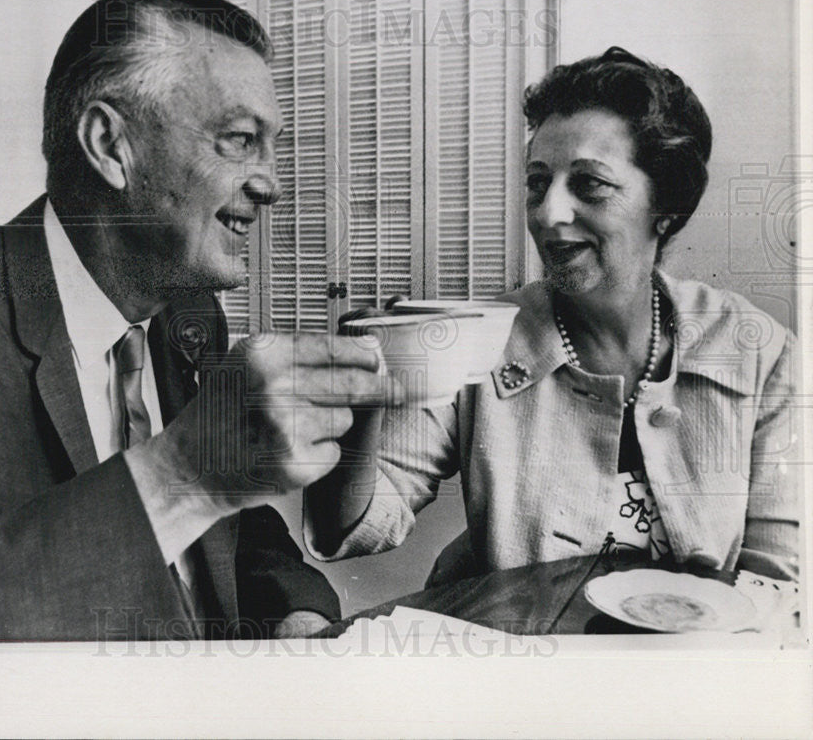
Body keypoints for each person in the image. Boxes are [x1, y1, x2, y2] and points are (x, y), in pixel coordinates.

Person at [0, 0, 403, 641]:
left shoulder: (190, 313)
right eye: (238, 140)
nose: (272, 184)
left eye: (270, 145)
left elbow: (231, 526)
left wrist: (295, 612)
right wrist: (186, 471)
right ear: (110, 144)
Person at [306, 47, 800, 584]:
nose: (547, 213)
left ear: (667, 207)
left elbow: (776, 581)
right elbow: (352, 528)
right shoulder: (480, 339)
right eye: (538, 182)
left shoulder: (759, 350)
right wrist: (363, 396)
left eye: (589, 183)